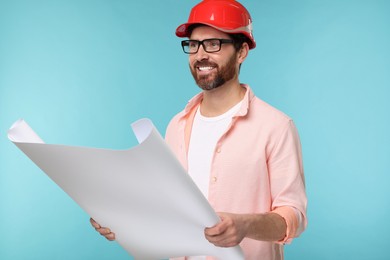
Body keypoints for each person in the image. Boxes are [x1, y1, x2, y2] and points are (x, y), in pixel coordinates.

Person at [91, 0, 307, 259]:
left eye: (213, 44)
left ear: (241, 52)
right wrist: (123, 222)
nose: (200, 55)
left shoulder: (276, 126)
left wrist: (244, 225)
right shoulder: (177, 126)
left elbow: (293, 216)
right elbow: (168, 211)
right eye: (193, 45)